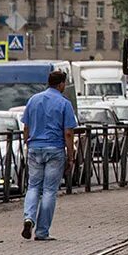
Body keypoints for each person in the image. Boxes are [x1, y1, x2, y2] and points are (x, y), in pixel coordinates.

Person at [21, 70, 77, 241]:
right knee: (49, 191)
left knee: (33, 187)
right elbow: (68, 133)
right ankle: (42, 232)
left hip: (35, 148)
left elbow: (26, 128)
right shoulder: (64, 103)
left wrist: (27, 144)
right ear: (61, 84)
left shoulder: (33, 100)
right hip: (55, 149)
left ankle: (29, 218)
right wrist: (71, 155)